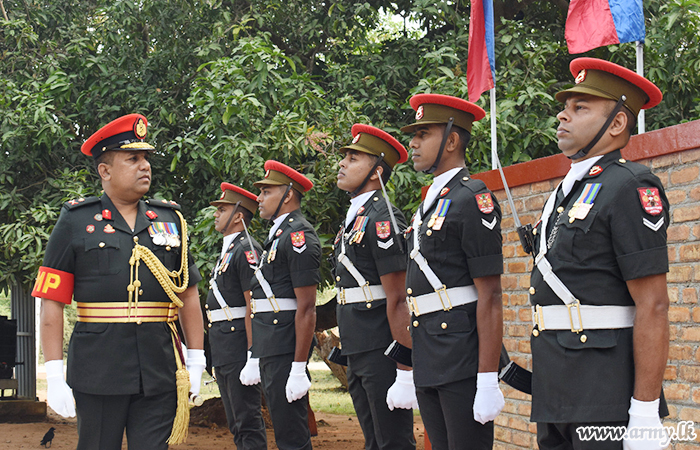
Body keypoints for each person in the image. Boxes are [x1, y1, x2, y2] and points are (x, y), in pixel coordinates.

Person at [34, 114, 205, 450]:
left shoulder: (170, 220)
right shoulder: (76, 220)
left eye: (146, 159)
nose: (145, 166)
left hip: (159, 367)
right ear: (105, 170)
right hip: (99, 369)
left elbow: (188, 293)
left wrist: (196, 359)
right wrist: (53, 372)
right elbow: (51, 300)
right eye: (133, 159)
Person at [528, 57, 669, 450]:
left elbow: (653, 305)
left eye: (580, 107)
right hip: (556, 390)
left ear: (618, 124)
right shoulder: (565, 192)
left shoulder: (630, 186)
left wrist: (643, 410)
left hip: (604, 394)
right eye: (565, 106)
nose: (562, 115)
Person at [401, 94, 505, 450]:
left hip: (461, 356)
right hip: (429, 350)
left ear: (451, 140)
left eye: (423, 134)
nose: (413, 143)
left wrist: (487, 379)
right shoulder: (430, 203)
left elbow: (490, 295)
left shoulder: (472, 198)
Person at [333, 123, 417, 450]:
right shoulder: (355, 217)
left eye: (354, 158)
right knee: (373, 441)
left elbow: (398, 298)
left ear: (376, 171)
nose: (342, 163)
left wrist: (404, 369)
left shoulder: (382, 218)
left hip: (382, 345)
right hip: (356, 343)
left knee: (393, 440)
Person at [247, 160, 321, 450]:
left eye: (266, 191)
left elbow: (307, 307)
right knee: (284, 429)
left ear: (288, 194)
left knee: (291, 434)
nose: (259, 198)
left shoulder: (297, 236)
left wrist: (298, 367)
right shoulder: (279, 235)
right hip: (271, 343)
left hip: (284, 345)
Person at [206, 182, 267, 449]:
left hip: (238, 343)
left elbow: (251, 303)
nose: (216, 214)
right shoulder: (229, 249)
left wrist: (253, 353)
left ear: (239, 215)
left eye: (222, 209)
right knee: (235, 421)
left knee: (247, 420)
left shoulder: (247, 249)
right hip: (224, 343)